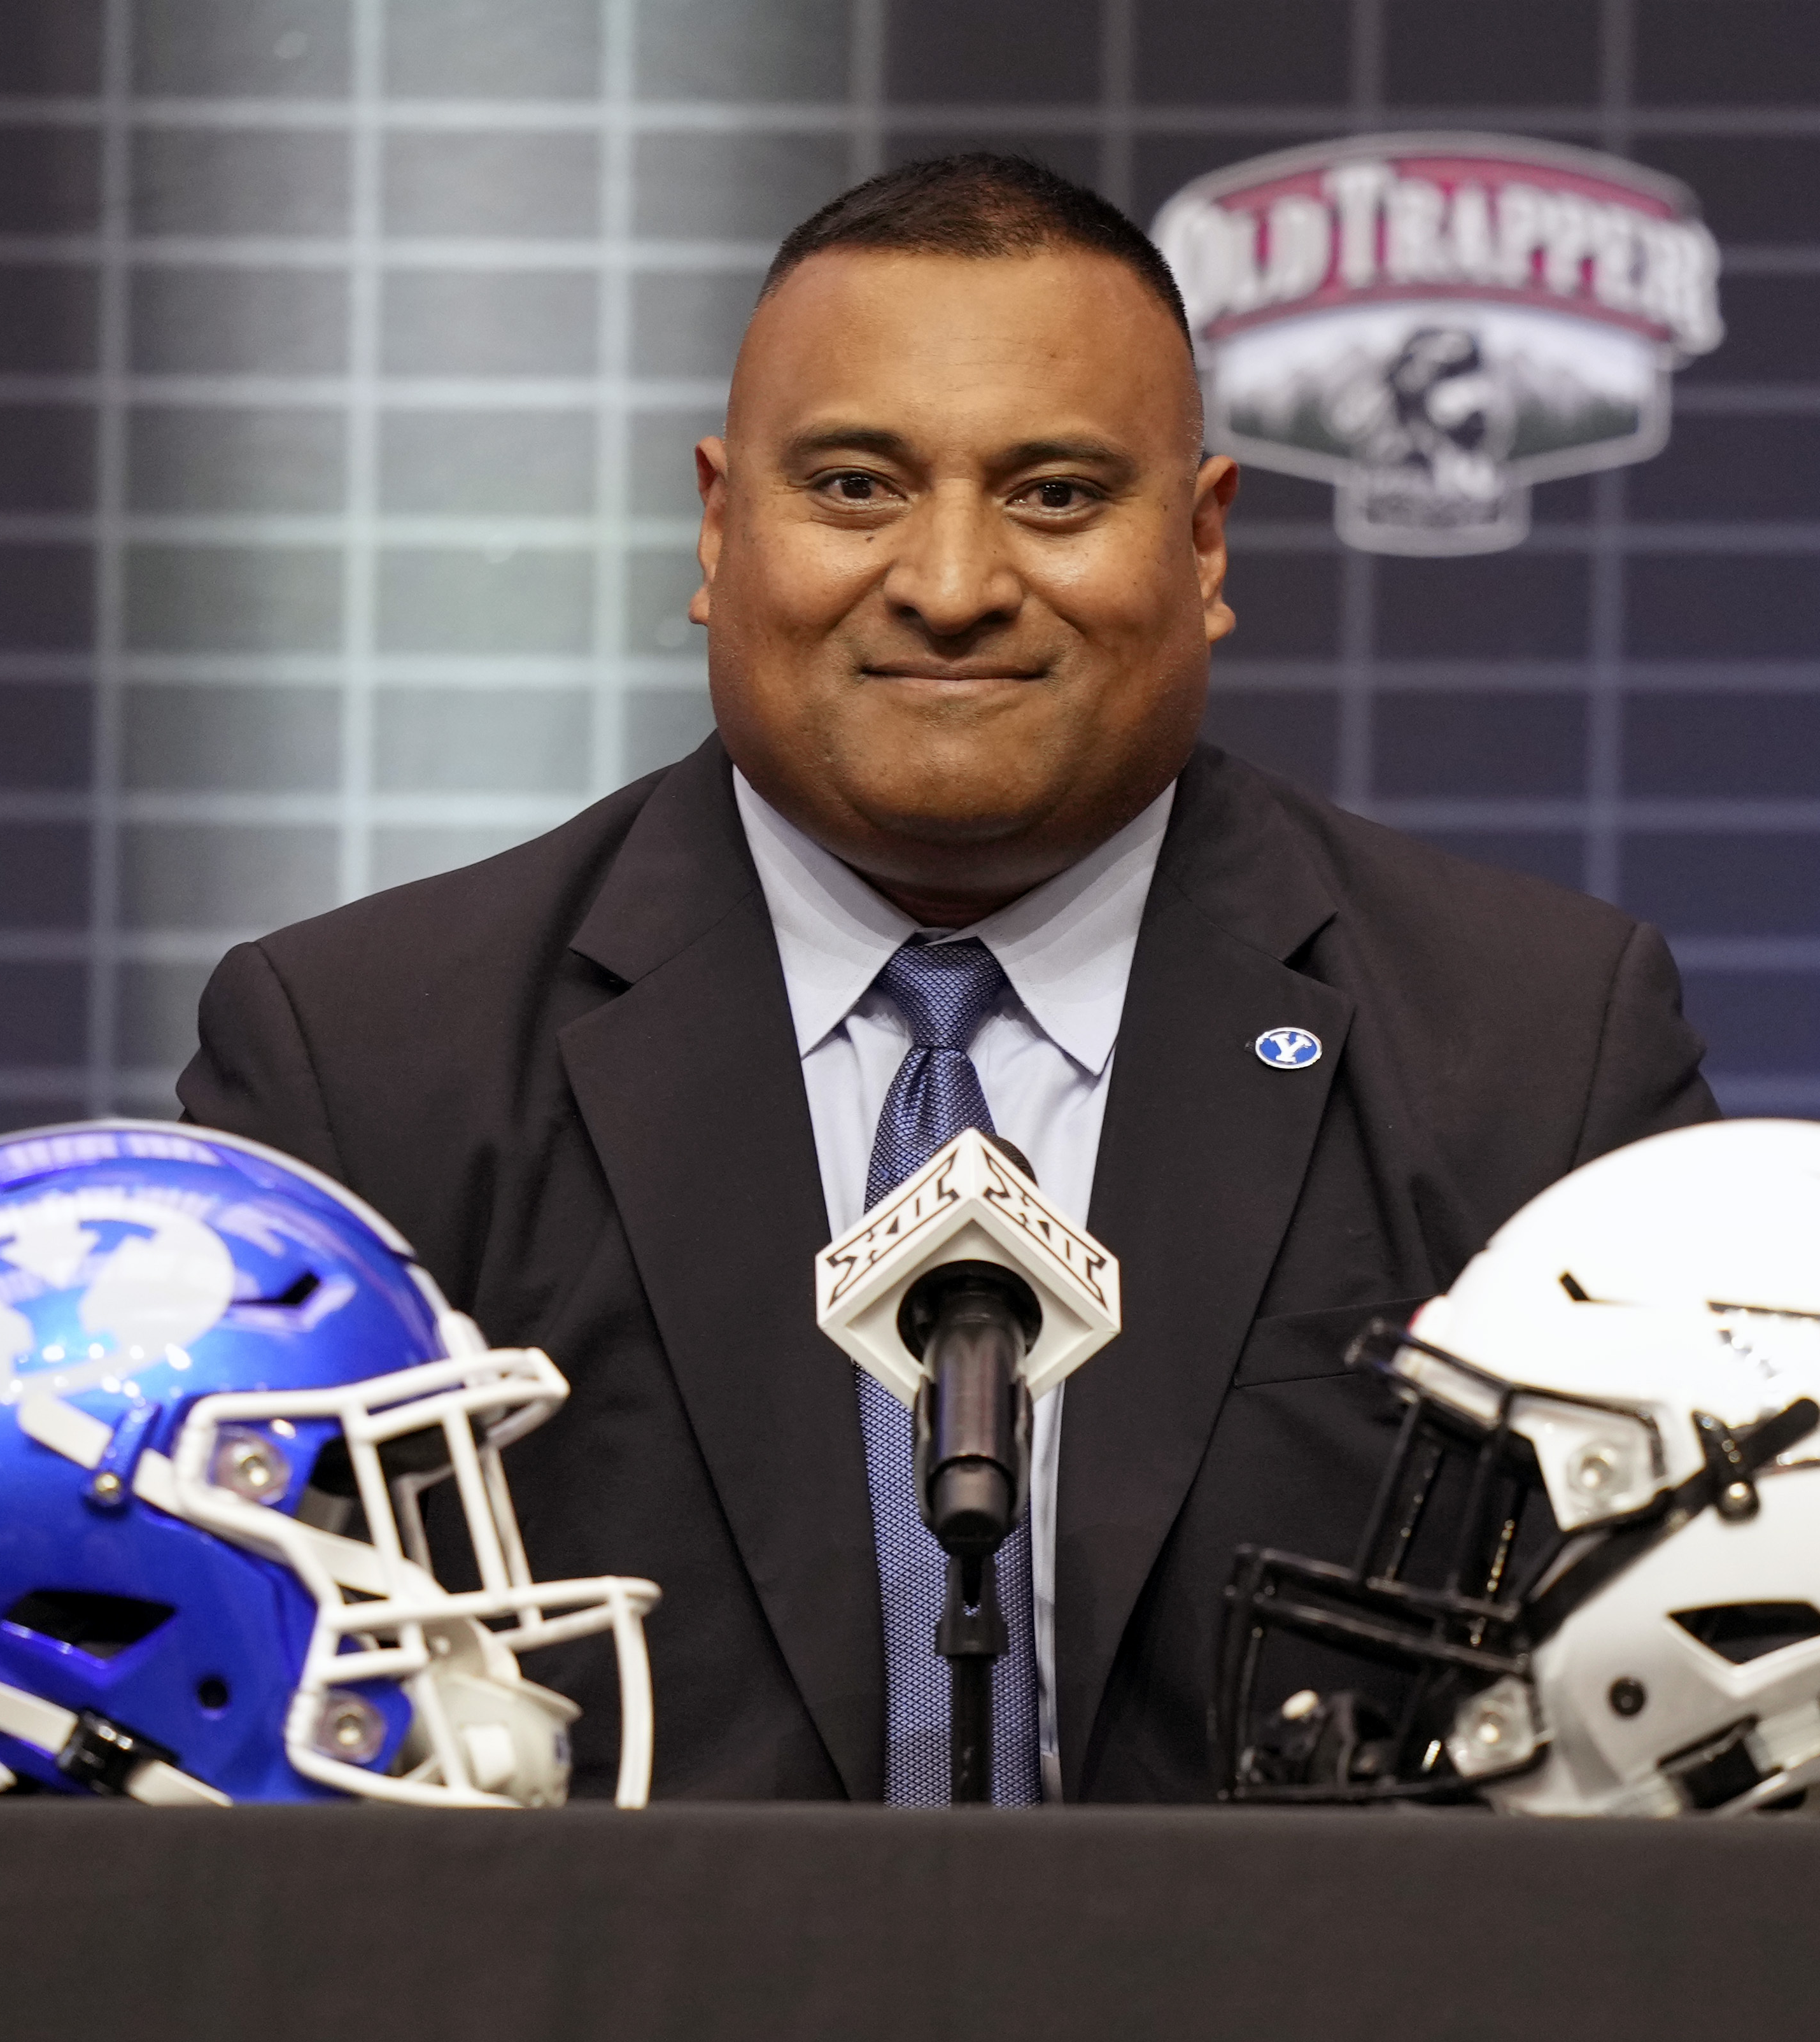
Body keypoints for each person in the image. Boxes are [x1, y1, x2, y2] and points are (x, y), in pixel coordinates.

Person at [176, 153, 1716, 1802]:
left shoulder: (1534, 1050)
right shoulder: (366, 1061)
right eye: (854, 487)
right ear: (718, 525)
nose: (954, 584)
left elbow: (1690, 1736)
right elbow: (222, 1752)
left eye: (1055, 494)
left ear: (1202, 543)